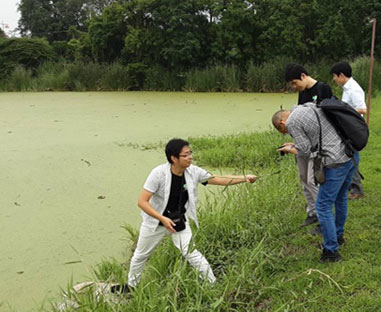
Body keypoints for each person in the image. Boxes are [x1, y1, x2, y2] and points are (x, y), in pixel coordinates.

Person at [124, 138, 257, 290]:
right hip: (155, 222)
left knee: (191, 253)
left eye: (190, 153)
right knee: (141, 256)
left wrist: (244, 178)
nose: (190, 157)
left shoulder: (193, 171)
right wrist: (162, 218)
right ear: (174, 158)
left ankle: (212, 285)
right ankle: (131, 287)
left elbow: (217, 179)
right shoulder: (158, 174)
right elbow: (142, 202)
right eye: (185, 155)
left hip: (178, 220)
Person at [273, 105, 357, 262]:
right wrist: (294, 144)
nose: (288, 133)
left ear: (282, 123)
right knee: (340, 198)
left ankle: (331, 252)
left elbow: (304, 152)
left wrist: (290, 149)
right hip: (350, 155)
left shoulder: (292, 122)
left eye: (285, 132)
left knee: (323, 206)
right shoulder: (308, 108)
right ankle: (338, 237)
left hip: (334, 162)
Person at [283, 64, 333, 228]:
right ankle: (311, 212)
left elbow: (327, 118)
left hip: (319, 145)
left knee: (314, 181)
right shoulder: (302, 93)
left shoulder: (323, 89)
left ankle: (323, 216)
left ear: (303, 76)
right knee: (304, 178)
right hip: (304, 143)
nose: (294, 87)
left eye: (294, 83)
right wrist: (295, 142)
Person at [330, 61, 366, 200]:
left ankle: (356, 190)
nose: (334, 79)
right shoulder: (347, 88)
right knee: (349, 157)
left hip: (353, 129)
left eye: (335, 76)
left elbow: (363, 109)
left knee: (351, 157)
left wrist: (342, 109)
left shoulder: (354, 89)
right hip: (347, 127)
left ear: (341, 75)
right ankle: (353, 187)